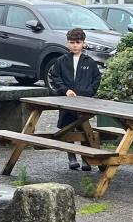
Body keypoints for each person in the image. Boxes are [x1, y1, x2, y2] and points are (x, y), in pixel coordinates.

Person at [48, 28, 102, 171]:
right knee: (68, 129)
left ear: (83, 43)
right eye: (72, 42)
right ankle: (71, 157)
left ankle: (85, 158)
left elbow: (96, 78)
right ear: (67, 43)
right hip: (67, 101)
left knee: (84, 129)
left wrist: (89, 92)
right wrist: (65, 90)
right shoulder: (61, 61)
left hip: (84, 102)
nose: (75, 45)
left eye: (78, 42)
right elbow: (55, 77)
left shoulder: (89, 62)